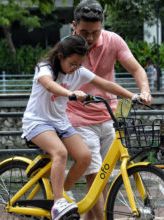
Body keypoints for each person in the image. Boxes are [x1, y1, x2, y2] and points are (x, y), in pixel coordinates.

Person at [22, 35, 141, 220]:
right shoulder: (44, 68)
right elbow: (49, 85)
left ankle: (61, 193)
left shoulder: (79, 72)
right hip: (37, 122)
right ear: (61, 56)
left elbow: (107, 84)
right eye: (73, 63)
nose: (76, 68)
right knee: (60, 153)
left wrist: (132, 96)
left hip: (60, 122)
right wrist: (70, 93)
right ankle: (58, 204)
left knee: (85, 157)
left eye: (79, 64)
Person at [66, 1, 153, 219]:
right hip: (78, 117)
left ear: (102, 26)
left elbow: (136, 68)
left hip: (108, 116)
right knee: (95, 177)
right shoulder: (68, 47)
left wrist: (144, 90)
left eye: (95, 32)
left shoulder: (113, 41)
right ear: (74, 26)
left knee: (102, 181)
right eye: (84, 32)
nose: (90, 38)